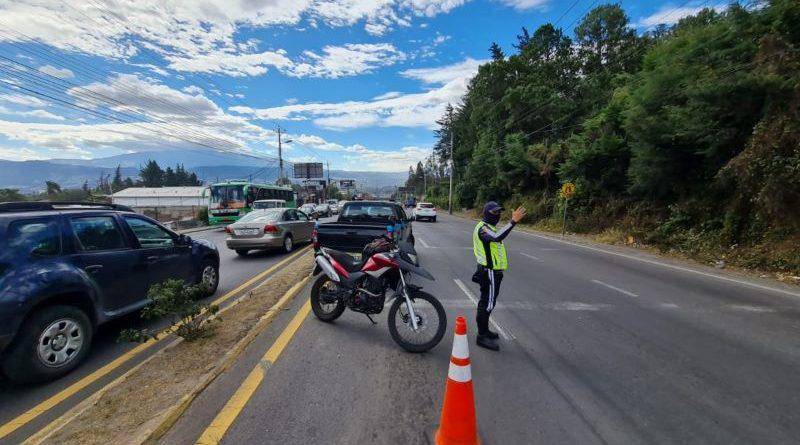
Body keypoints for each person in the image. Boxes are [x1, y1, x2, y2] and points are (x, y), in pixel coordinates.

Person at [472, 201, 527, 351]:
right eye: (495, 213)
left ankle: (485, 331)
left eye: (499, 212)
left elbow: (497, 236)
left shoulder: (489, 227)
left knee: (489, 303)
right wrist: (513, 222)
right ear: (487, 213)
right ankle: (481, 336)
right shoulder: (483, 228)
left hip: (492, 272)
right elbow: (497, 237)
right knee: (487, 304)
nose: (498, 215)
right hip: (488, 272)